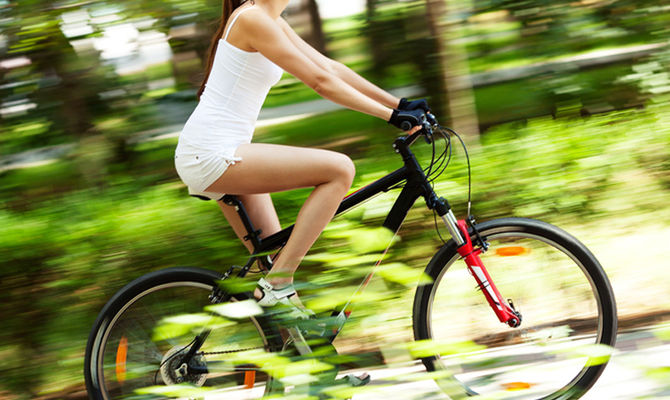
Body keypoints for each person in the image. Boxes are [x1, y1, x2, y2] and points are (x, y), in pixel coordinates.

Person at [174, 0, 429, 317]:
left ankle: (308, 356)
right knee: (339, 170)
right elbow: (319, 82)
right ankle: (277, 285)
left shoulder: (270, 20)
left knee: (274, 265)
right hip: (213, 153)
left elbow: (330, 68)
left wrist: (402, 104)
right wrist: (391, 116)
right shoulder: (252, 19)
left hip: (221, 152)